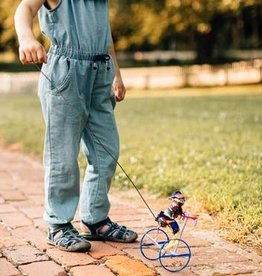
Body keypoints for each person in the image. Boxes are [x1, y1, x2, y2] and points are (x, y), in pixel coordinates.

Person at [14, 0, 138, 252]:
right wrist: (26, 38)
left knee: (107, 151)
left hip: (101, 72)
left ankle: (95, 219)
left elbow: (105, 34)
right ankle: (59, 224)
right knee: (63, 154)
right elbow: (24, 9)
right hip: (65, 73)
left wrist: (116, 73)